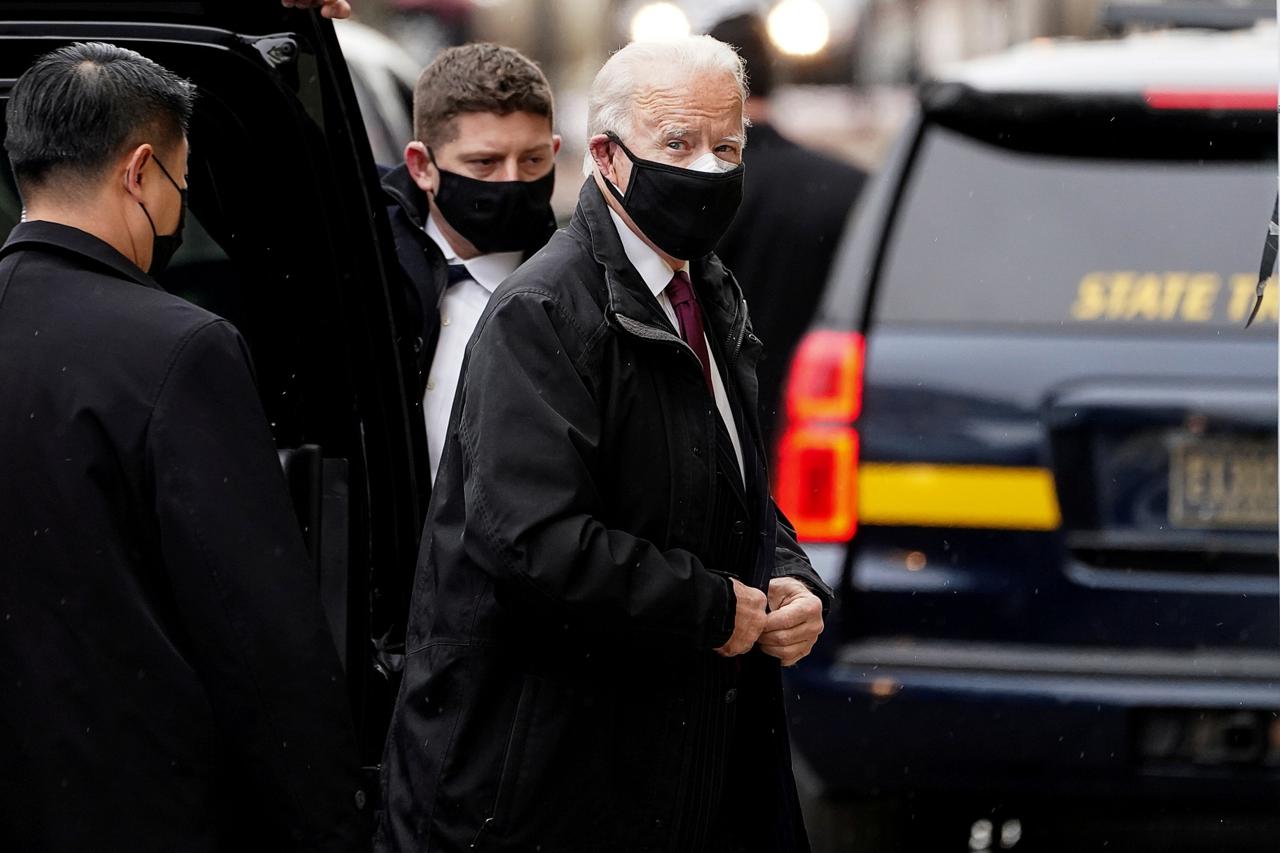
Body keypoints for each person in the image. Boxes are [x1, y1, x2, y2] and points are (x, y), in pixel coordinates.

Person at [378, 36, 831, 853]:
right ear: (606, 159)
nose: (705, 170)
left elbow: (721, 479)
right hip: (551, 778)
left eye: (725, 146)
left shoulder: (708, 292)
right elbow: (536, 545)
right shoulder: (543, 312)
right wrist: (713, 606)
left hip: (674, 761)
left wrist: (787, 575)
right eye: (677, 144)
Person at [0, 43, 366, 852]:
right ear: (140, 171)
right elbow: (257, 633)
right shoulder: (180, 347)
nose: (178, 210)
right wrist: (327, 820)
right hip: (139, 807)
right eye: (182, 183)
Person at [380, 42, 559, 483]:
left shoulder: (576, 290)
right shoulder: (368, 252)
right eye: (485, 163)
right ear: (422, 165)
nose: (513, 181)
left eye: (534, 161)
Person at [709, 13, 867, 447]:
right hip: (821, 426)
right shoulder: (847, 187)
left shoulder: (686, 191)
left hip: (715, 437)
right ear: (774, 75)